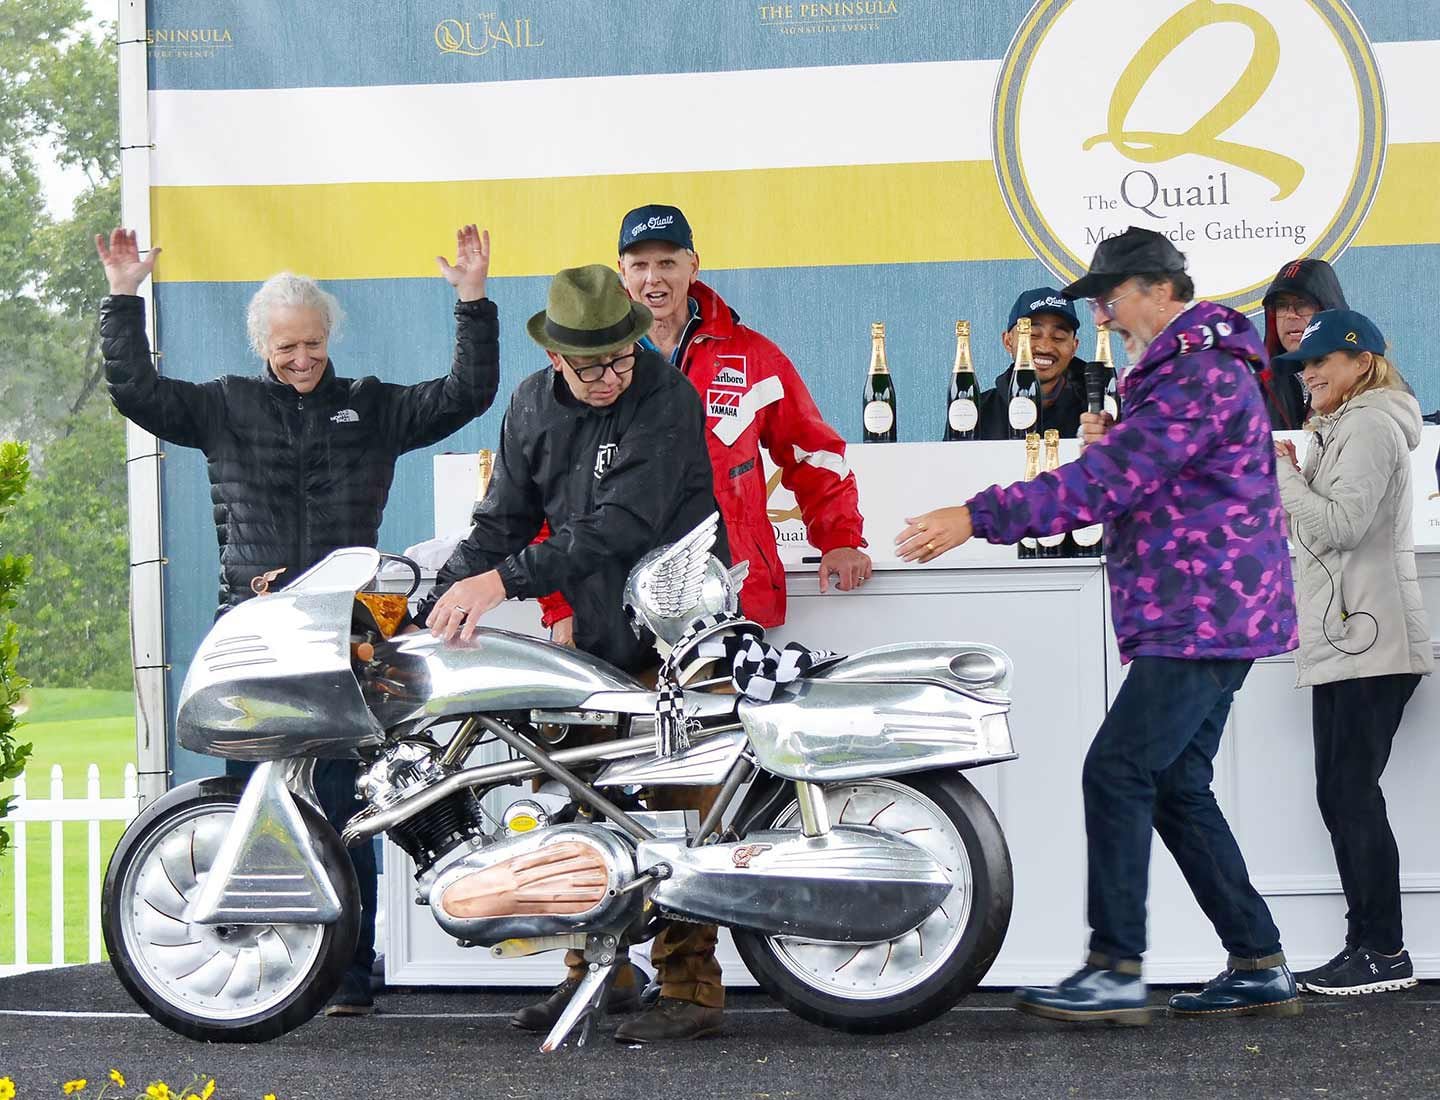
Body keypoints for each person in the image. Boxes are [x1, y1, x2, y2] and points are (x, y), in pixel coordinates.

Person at [896, 226, 1301, 1024]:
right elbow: (1154, 476)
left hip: (1202, 614)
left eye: (1110, 299)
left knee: (1117, 771)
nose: (1105, 317)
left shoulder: (1200, 373)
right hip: (1206, 611)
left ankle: (1115, 968)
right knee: (1177, 784)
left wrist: (975, 516)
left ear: (1156, 288)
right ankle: (1257, 960)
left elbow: (1110, 483)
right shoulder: (1195, 369)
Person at [98, 223, 500, 1016]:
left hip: (350, 634)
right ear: (263, 345)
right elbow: (136, 392)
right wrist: (122, 297)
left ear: (329, 340)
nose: (302, 359)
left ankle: (350, 975)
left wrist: (471, 300)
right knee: (254, 800)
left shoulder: (373, 407)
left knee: (350, 803)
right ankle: (267, 968)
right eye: (286, 348)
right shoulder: (223, 407)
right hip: (255, 632)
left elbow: (467, 393)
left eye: (312, 344)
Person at [417, 264, 728, 1043]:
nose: (611, 376)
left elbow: (621, 524)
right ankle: (601, 976)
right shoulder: (528, 406)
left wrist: (501, 583)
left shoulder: (666, 397)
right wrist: (438, 601)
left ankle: (692, 990)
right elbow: (502, 522)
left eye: (622, 357)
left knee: (684, 816)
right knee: (575, 800)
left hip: (680, 635)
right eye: (592, 365)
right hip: (586, 644)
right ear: (555, 357)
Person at [533, 204, 869, 648]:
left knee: (728, 719)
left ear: (694, 264)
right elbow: (548, 494)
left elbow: (813, 453)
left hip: (730, 599)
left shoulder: (752, 357)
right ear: (622, 273)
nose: (654, 278)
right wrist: (560, 606)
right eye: (640, 265)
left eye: (668, 263)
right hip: (616, 608)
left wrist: (840, 539)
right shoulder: (591, 368)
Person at [1271, 310, 1431, 996]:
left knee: (1348, 793)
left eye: (1322, 362)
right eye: (1304, 367)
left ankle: (1384, 951)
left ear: (1363, 362)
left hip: (1371, 637)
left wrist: (1281, 477)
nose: (1308, 376)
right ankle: (1368, 946)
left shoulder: (1366, 424)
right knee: (1342, 793)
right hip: (1353, 635)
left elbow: (1339, 527)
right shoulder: (1342, 426)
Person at [978, 288, 1089, 439]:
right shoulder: (976, 411)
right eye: (1033, 335)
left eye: (1058, 337)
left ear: (1074, 347)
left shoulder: (1097, 413)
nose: (1045, 347)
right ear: (1008, 341)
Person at [1258, 258, 1350, 429]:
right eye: (1281, 305)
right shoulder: (1252, 390)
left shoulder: (1369, 382)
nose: (1290, 315)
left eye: (1302, 303)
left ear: (1329, 310)